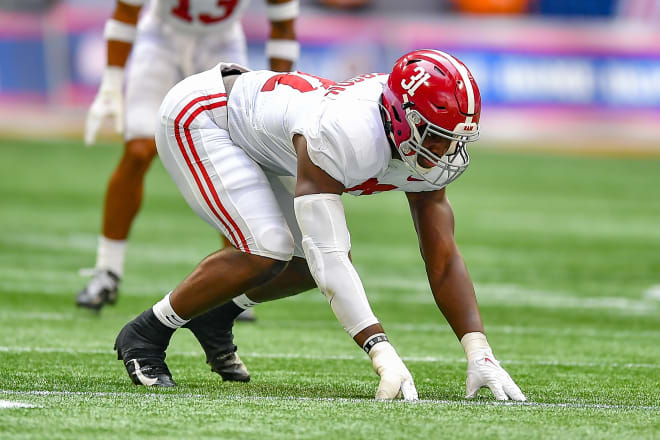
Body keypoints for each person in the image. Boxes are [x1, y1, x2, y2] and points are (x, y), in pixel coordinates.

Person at [113, 49, 526, 401]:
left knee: (300, 262)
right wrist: (380, 351)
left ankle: (215, 315)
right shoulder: (346, 131)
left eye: (453, 139)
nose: (444, 151)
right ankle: (146, 333)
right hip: (206, 116)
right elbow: (329, 255)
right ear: (401, 117)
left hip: (262, 139)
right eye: (435, 137)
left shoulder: (419, 143)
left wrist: (479, 351)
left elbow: (443, 256)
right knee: (270, 246)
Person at [76, 0, 300, 323]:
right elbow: (127, 10)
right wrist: (112, 83)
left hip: (222, 44)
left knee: (239, 152)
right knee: (138, 151)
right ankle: (107, 271)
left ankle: (236, 285)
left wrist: (280, 95)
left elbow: (283, 26)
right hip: (161, 40)